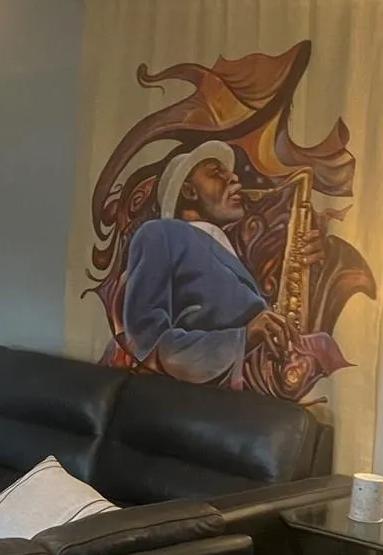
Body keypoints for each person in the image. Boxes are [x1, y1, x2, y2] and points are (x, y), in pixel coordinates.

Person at [119, 140, 323, 384]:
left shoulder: (227, 249)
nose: (234, 178)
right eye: (216, 173)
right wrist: (242, 338)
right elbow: (147, 342)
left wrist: (311, 274)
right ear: (189, 191)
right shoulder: (161, 233)